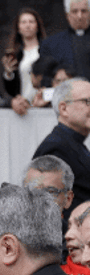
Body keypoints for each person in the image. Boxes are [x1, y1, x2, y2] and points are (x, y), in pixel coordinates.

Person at [32, 78, 90, 218]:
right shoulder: (56, 147)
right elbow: (46, 211)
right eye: (88, 102)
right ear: (64, 109)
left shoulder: (72, 143)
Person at [1, 7, 46, 113]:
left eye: (31, 21)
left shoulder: (47, 50)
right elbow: (11, 91)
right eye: (23, 22)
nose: (28, 25)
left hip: (44, 104)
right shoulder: (16, 54)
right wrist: (8, 73)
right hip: (23, 107)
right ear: (18, 28)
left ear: (37, 26)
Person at [39, 0, 90, 79]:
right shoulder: (51, 44)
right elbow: (45, 78)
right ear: (67, 15)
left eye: (84, 11)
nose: (79, 16)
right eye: (75, 11)